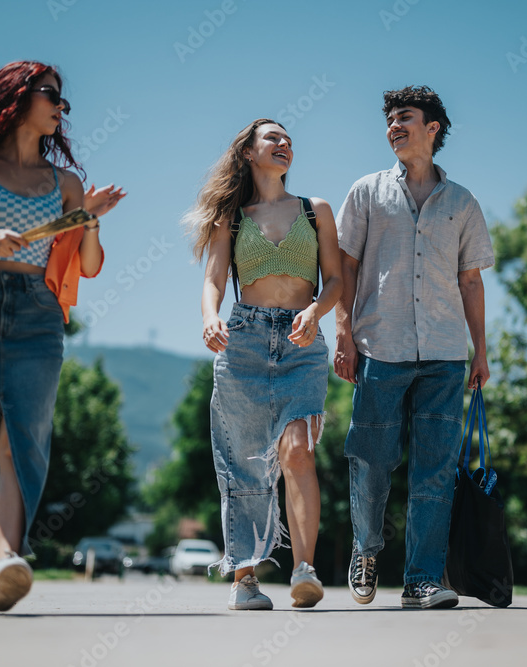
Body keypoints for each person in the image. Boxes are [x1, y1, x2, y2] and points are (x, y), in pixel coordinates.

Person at [0, 61, 125, 614]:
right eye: (50, 94)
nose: (61, 106)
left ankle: (7, 559)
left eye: (63, 99)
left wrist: (88, 219)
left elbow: (88, 265)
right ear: (16, 97)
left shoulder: (66, 184)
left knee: (20, 441)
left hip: (37, 314)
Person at [334, 86, 494, 609]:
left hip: (445, 355)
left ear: (433, 128)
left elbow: (471, 280)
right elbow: (345, 267)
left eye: (404, 117)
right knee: (371, 460)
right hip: (380, 348)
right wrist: (343, 332)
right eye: (389, 120)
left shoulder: (463, 202)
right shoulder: (366, 192)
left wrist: (480, 351)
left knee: (435, 470)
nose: (393, 127)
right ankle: (366, 549)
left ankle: (421, 580)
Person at [186, 118, 342, 610]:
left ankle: (304, 569)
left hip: (301, 342)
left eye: (288, 139)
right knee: (245, 463)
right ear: (249, 153)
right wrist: (210, 318)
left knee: (298, 450)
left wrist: (315, 312)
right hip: (245, 343)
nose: (284, 143)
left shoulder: (316, 211)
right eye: (273, 138)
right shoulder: (230, 218)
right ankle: (245, 578)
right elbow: (213, 280)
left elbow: (336, 280)